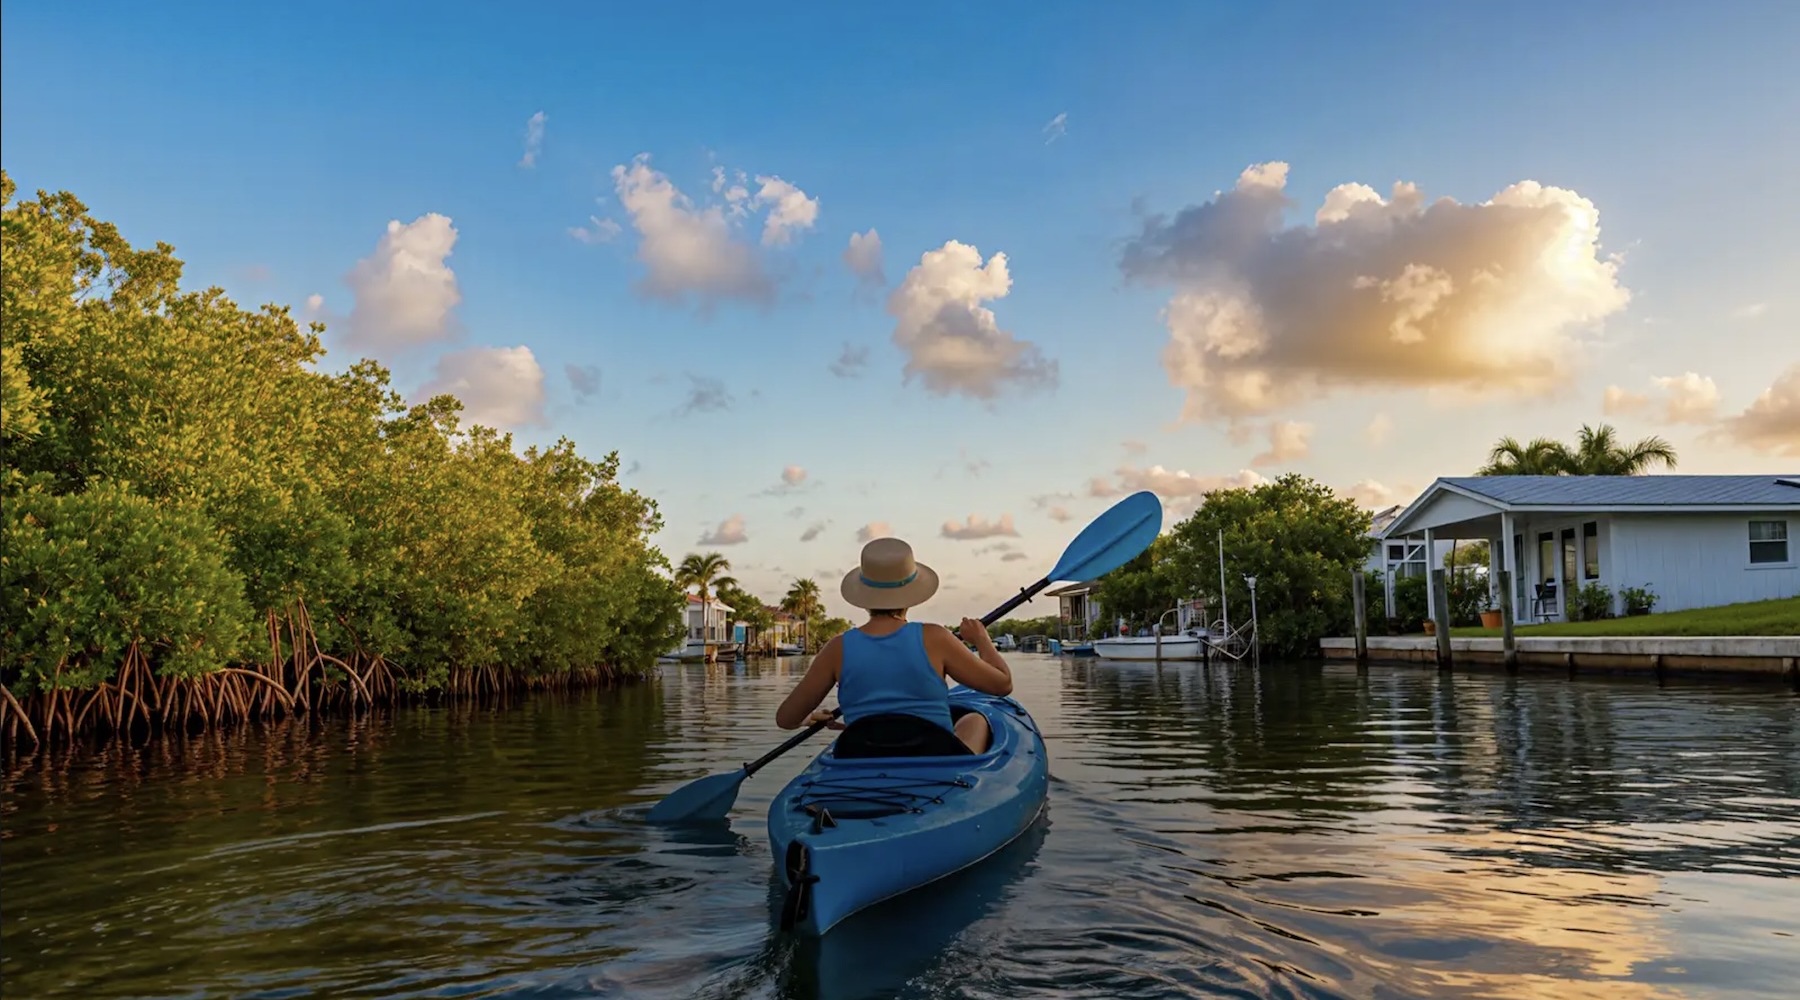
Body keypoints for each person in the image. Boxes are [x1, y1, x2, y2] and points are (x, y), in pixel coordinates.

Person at [775, 537, 1013, 756]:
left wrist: (808, 718)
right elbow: (1002, 685)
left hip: (862, 754)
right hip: (934, 755)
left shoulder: (837, 648)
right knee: (975, 720)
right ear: (912, 594)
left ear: (864, 597)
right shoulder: (936, 637)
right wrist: (981, 639)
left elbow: (786, 719)